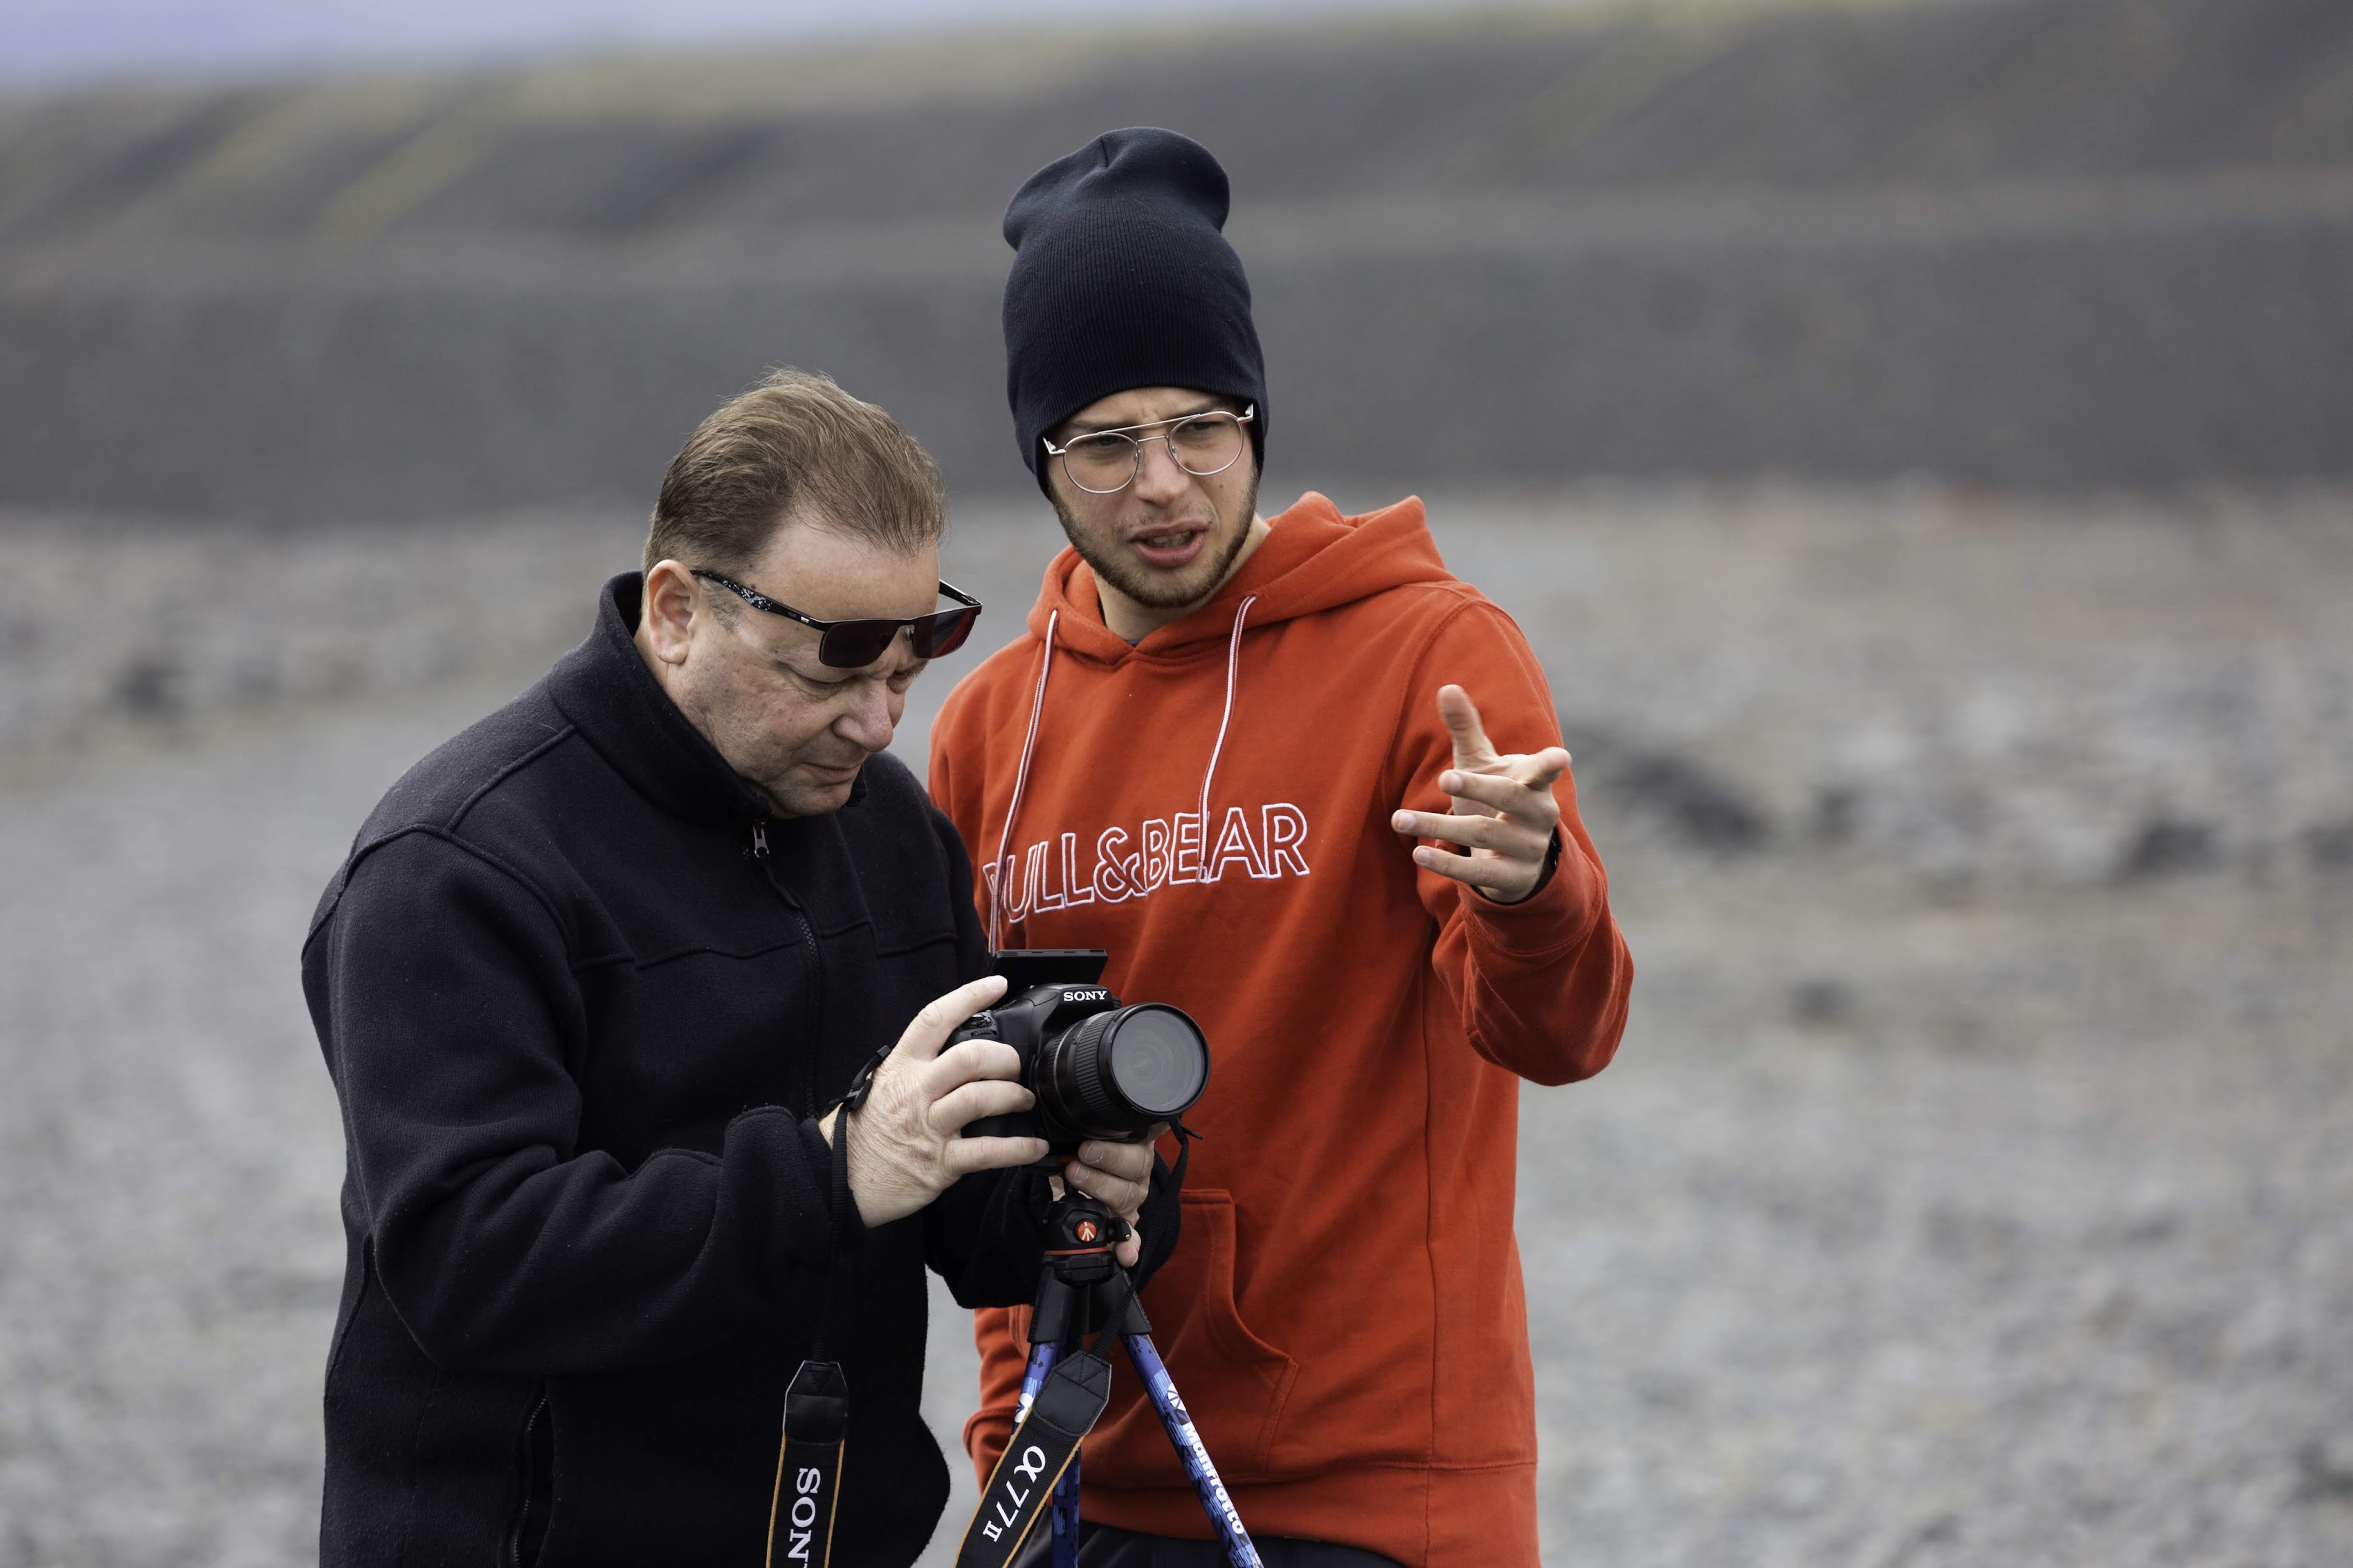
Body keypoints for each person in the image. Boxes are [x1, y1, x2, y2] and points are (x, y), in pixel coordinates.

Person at [302, 369, 1171, 1567]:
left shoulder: (888, 833)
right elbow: (471, 1263)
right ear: (676, 612)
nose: (878, 723)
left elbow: (966, 1210)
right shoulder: (458, 863)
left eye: (910, 663)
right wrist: (833, 1168)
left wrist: (1085, 1193)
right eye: (833, 667)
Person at [927, 131, 1635, 1567]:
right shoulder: (989, 727)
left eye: (1202, 425)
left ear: (1255, 416)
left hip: (1378, 1485)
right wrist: (1007, 1457)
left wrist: (1532, 892)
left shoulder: (1426, 651)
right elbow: (992, 1124)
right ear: (1037, 457)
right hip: (1085, 1475)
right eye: (1106, 442)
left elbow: (1558, 1033)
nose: (1164, 484)